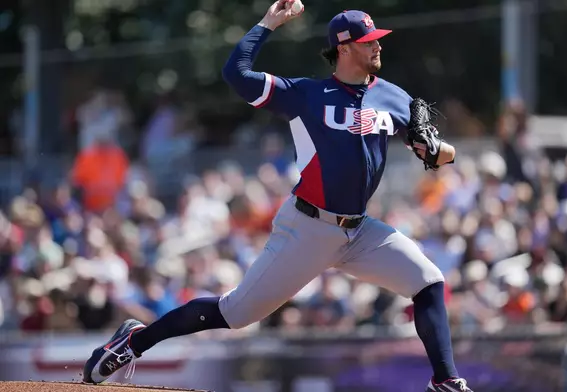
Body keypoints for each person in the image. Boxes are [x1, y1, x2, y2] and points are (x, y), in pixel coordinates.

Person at [82, 2, 470, 391]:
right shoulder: (306, 94)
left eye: (377, 40)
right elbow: (236, 74)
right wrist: (268, 23)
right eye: (368, 42)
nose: (377, 47)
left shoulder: (393, 96)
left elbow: (441, 152)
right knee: (234, 313)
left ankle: (445, 381)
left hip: (360, 230)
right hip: (308, 227)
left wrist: (435, 148)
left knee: (428, 282)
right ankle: (134, 341)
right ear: (344, 48)